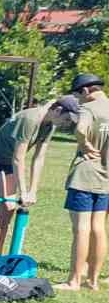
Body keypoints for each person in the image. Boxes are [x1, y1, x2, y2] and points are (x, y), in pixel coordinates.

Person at [0, 95, 81, 255]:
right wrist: (23, 191)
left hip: (8, 162)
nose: (67, 124)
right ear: (58, 110)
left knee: (9, 209)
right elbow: (18, 158)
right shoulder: (30, 119)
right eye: (67, 119)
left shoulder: (50, 125)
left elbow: (39, 158)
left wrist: (33, 190)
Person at [61, 72, 109, 291]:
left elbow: (81, 130)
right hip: (106, 177)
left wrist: (86, 145)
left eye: (78, 95)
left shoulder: (89, 108)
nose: (78, 100)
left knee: (81, 228)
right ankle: (93, 280)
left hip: (86, 175)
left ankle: (74, 281)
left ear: (86, 90)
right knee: (99, 228)